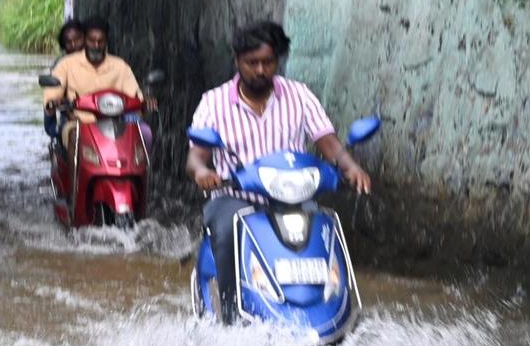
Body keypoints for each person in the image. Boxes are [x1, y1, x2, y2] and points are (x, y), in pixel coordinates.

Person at [186, 20, 373, 324]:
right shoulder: (214, 102)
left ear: (278, 60)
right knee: (226, 231)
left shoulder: (299, 96)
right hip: (235, 197)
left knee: (325, 230)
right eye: (252, 63)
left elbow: (328, 142)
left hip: (294, 199)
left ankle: (341, 312)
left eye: (268, 62)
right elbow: (196, 155)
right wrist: (201, 172)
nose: (260, 70)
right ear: (237, 60)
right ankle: (231, 317)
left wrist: (350, 167)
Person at [42, 17, 157, 158]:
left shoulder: (119, 66)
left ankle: (140, 178)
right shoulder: (66, 65)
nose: (96, 45)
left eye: (100, 41)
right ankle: (75, 180)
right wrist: (54, 101)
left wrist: (145, 101)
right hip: (79, 122)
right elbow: (52, 93)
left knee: (145, 133)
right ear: (85, 40)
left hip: (116, 124)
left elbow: (135, 94)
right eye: (92, 40)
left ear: (106, 41)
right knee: (74, 138)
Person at [43, 19, 85, 138]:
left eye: (78, 39)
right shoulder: (60, 66)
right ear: (63, 46)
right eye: (68, 42)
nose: (74, 45)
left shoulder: (100, 61)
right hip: (71, 117)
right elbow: (50, 99)